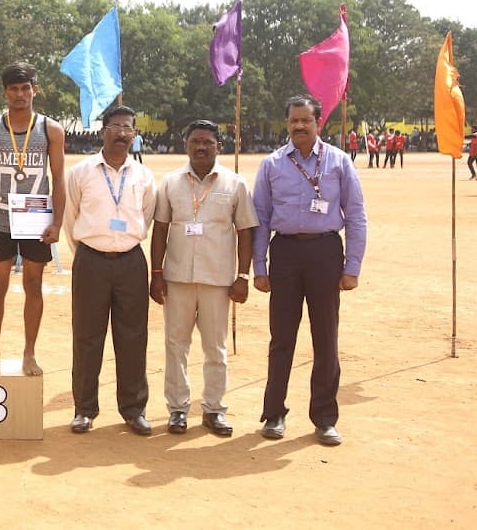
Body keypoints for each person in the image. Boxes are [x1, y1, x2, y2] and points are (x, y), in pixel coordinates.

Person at [253, 95, 367, 446]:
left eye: (306, 120)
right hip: (285, 252)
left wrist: (352, 267)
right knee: (281, 337)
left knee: (326, 338)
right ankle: (274, 413)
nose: (299, 126)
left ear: (319, 123)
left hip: (325, 252)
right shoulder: (272, 164)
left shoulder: (339, 162)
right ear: (287, 124)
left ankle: (325, 418)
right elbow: (260, 218)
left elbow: (356, 215)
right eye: (294, 121)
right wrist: (260, 267)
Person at [149, 120, 258, 437]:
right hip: (177, 278)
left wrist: (242, 275)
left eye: (207, 142)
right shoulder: (170, 183)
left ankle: (213, 409)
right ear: (185, 145)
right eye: (195, 141)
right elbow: (160, 230)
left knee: (215, 348)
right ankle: (178, 409)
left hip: (218, 280)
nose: (200, 147)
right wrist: (156, 274)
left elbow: (245, 231)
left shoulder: (235, 184)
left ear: (219, 147)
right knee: (175, 345)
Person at [63, 105, 156, 435]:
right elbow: (70, 216)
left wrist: (123, 244)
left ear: (135, 135)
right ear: (103, 132)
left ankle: (133, 409)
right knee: (87, 337)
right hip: (91, 262)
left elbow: (146, 215)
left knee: (133, 337)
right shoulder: (81, 172)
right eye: (115, 127)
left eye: (128, 128)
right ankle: (84, 409)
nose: (121, 133)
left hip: (131, 262)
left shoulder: (143, 176)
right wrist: (89, 251)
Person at [0, 62, 65, 376]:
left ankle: (29, 353)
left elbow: (59, 178)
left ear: (35, 90)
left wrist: (57, 222)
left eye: (25, 88)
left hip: (36, 221)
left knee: (34, 285)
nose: (20, 94)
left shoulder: (51, 129)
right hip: (0, 220)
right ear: (5, 92)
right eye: (13, 89)